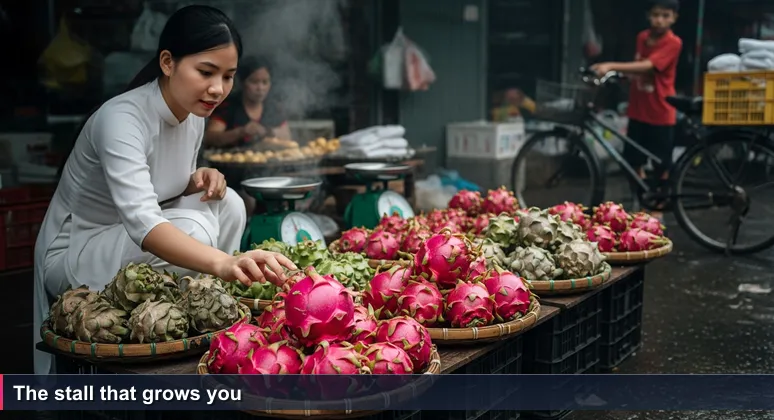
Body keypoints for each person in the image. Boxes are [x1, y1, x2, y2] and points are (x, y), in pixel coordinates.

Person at [33, 5, 297, 375]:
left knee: (231, 203)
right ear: (168, 62)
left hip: (122, 242)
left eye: (228, 76)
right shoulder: (121, 119)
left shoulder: (193, 114)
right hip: (76, 251)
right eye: (206, 72)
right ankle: (205, 292)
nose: (218, 89)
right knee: (196, 229)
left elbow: (161, 187)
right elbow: (144, 221)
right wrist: (222, 261)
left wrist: (197, 178)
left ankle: (204, 303)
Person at [592, 0, 683, 212]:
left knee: (661, 166)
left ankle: (658, 209)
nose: (659, 20)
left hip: (661, 111)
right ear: (648, 15)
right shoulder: (642, 38)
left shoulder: (673, 42)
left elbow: (649, 66)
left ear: (674, 18)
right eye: (656, 15)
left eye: (665, 15)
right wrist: (619, 75)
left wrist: (611, 65)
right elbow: (637, 68)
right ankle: (643, 201)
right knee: (632, 162)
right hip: (638, 110)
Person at [202, 56, 291, 215]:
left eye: (265, 82)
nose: (260, 88)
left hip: (268, 173)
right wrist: (240, 132)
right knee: (245, 202)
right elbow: (211, 137)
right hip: (233, 177)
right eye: (254, 82)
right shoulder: (228, 106)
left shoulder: (273, 107)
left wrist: (268, 132)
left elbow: (287, 137)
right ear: (243, 83)